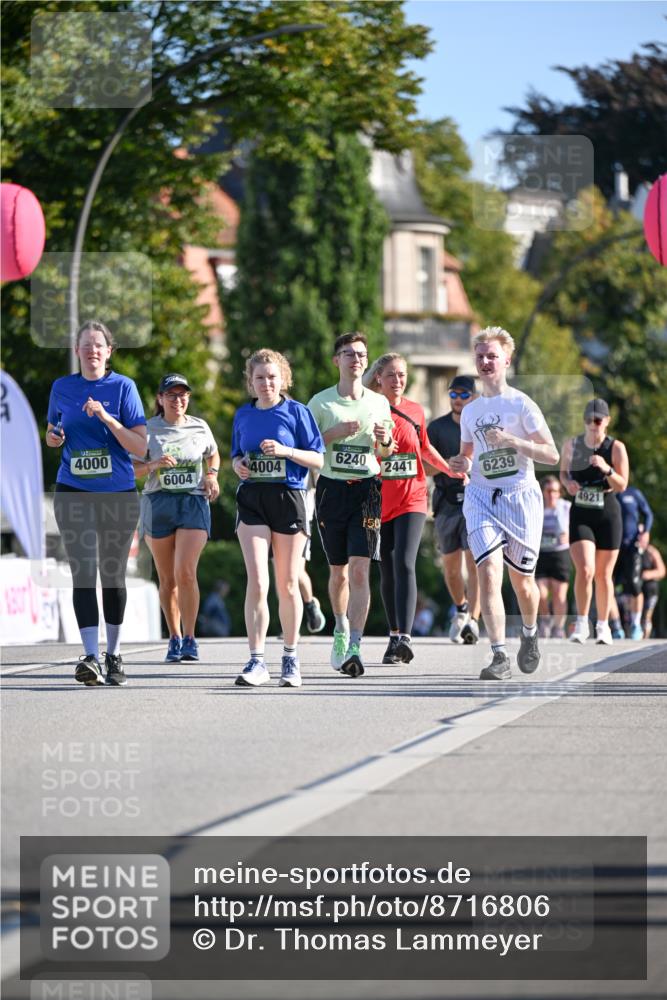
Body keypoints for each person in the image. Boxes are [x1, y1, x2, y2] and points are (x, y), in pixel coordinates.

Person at [449, 326, 559, 680]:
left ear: (506, 360)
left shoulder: (521, 404)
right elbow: (468, 455)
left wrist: (512, 440)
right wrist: (461, 463)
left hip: (520, 498)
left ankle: (529, 633)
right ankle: (499, 656)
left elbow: (551, 454)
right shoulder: (470, 411)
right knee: (488, 572)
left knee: (523, 583)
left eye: (492, 356)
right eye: (480, 356)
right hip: (481, 497)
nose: (484, 362)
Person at [46, 320, 147, 686]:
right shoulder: (62, 387)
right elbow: (53, 431)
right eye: (85, 344)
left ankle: (114, 654)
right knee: (83, 570)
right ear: (77, 351)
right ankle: (90, 656)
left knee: (112, 573)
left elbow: (140, 446)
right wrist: (54, 438)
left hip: (117, 494)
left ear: (109, 351)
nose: (92, 350)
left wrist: (106, 416)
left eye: (98, 345)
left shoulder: (123, 388)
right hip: (73, 490)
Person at [232, 349, 324, 688]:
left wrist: (286, 452)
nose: (266, 383)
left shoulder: (297, 412)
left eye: (272, 377)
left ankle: (290, 657)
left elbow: (318, 460)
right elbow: (235, 456)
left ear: (283, 378)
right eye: (260, 378)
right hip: (253, 498)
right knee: (257, 581)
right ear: (251, 382)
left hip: (289, 497)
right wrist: (238, 466)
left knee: (287, 582)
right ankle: (256, 661)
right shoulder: (243, 414)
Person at [365, 352, 461, 664]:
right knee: (387, 567)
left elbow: (424, 447)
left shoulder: (416, 411)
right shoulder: (369, 409)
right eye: (391, 374)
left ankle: (405, 637)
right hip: (380, 499)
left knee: (405, 561)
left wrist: (447, 469)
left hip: (412, 497)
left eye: (402, 375)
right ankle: (393, 637)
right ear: (379, 378)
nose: (398, 380)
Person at [308, 332, 395, 677]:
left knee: (361, 569)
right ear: (337, 361)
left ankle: (356, 646)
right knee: (338, 572)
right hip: (331, 489)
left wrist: (384, 440)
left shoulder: (378, 402)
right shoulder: (321, 403)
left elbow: (387, 451)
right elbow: (309, 448)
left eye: (361, 354)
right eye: (348, 354)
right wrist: (335, 433)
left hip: (367, 490)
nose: (356, 360)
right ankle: (340, 628)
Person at [134, 374, 220, 663]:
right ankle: (173, 636)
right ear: (160, 399)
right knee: (168, 578)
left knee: (186, 572)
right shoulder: (148, 429)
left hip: (193, 501)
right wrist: (154, 464)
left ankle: (191, 638)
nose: (178, 399)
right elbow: (131, 470)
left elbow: (214, 454)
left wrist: (211, 475)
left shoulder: (199, 426)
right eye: (171, 395)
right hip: (159, 502)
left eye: (183, 394)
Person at [560, 398, 629, 644]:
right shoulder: (573, 444)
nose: (593, 425)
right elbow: (563, 472)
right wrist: (567, 483)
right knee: (586, 569)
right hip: (581, 511)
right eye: (588, 420)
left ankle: (603, 626)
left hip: (608, 511)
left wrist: (606, 468)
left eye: (597, 420)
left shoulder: (616, 447)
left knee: (603, 574)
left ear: (607, 421)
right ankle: (580, 624)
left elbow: (623, 485)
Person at [427, 375, 481, 645]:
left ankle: (473, 618)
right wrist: (447, 464)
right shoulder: (437, 427)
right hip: (446, 501)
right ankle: (460, 610)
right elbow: (423, 467)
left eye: (464, 395)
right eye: (454, 394)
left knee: (475, 563)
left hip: (476, 500)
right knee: (451, 568)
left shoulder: (483, 426)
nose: (458, 400)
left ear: (474, 397)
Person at [609, 486, 654, 640]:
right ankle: (616, 626)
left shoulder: (634, 493)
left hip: (631, 546)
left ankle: (636, 624)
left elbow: (648, 514)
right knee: (607, 585)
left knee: (635, 584)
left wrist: (646, 532)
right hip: (610, 545)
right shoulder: (605, 491)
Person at [535, 475, 571, 638]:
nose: (552, 495)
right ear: (543, 492)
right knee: (540, 594)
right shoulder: (536, 506)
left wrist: (569, 536)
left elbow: (578, 528)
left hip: (560, 554)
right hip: (541, 554)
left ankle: (558, 627)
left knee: (559, 595)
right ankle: (545, 619)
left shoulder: (566, 507)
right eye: (549, 491)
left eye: (555, 491)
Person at [641, 544, 665, 638]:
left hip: (650, 590)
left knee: (647, 616)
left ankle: (645, 638)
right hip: (635, 589)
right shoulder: (630, 549)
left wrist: (648, 574)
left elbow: (662, 571)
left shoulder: (651, 551)